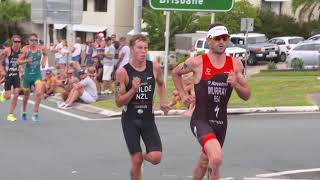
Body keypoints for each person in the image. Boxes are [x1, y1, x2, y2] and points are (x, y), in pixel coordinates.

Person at [171, 23, 251, 180]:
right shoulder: (198, 62)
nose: (221, 42)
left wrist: (235, 84)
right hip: (200, 120)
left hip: (221, 123)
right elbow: (175, 72)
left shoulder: (235, 65)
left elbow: (247, 95)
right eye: (217, 38)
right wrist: (183, 94)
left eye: (224, 38)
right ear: (209, 41)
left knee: (205, 161)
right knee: (216, 158)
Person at [115, 34, 170, 180]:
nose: (143, 51)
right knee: (136, 160)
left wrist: (163, 102)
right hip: (130, 120)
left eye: (146, 48)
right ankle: (138, 159)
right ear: (132, 50)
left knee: (156, 158)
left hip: (148, 119)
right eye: (140, 48)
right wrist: (133, 90)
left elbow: (161, 84)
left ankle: (142, 156)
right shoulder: (123, 72)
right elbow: (119, 102)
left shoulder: (154, 67)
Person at [18, 33, 48, 121]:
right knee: (26, 96)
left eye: (35, 40)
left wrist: (43, 62)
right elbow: (19, 61)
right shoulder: (25, 50)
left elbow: (45, 55)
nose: (34, 42)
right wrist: (27, 60)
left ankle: (35, 113)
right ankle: (23, 111)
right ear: (28, 41)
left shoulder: (41, 48)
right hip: (27, 77)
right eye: (32, 40)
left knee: (38, 92)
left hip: (37, 75)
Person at [0, 35, 22, 121]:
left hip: (16, 75)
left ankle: (10, 114)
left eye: (18, 42)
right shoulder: (7, 50)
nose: (17, 43)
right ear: (12, 42)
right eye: (15, 42)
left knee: (16, 94)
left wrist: (21, 70)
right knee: (8, 97)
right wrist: (2, 70)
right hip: (8, 75)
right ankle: (3, 95)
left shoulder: (21, 51)